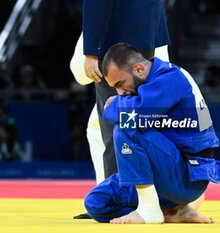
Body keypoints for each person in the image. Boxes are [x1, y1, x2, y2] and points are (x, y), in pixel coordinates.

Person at [83, 43, 220, 224]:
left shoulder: (171, 78)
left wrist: (114, 105)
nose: (120, 93)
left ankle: (149, 210)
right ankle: (172, 211)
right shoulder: (151, 83)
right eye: (115, 89)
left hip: (187, 175)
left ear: (139, 69)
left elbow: (136, 114)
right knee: (96, 203)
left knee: (126, 128)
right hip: (163, 171)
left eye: (120, 84)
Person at [70, 0, 171, 184]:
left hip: (116, 46)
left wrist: (91, 52)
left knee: (114, 127)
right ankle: (139, 196)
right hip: (147, 39)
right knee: (126, 125)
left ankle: (117, 199)